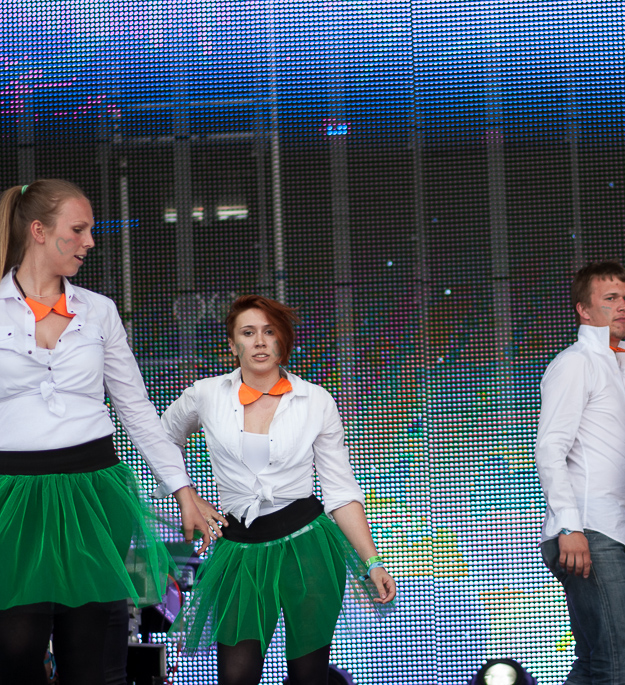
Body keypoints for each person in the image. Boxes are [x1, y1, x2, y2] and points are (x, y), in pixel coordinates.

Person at [0, 179, 211, 685]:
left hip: (94, 491)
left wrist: (183, 490)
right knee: (15, 651)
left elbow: (135, 409)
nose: (90, 241)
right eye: (78, 230)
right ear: (39, 231)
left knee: (92, 653)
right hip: (13, 495)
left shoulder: (99, 311)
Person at [162, 294, 396, 685]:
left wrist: (372, 561)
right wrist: (188, 496)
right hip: (240, 550)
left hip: (307, 546)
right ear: (232, 344)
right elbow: (159, 441)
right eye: (248, 333)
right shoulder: (205, 394)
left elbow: (340, 490)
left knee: (308, 675)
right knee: (236, 676)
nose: (259, 341)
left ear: (282, 341)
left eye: (269, 332)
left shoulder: (315, 400)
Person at [533, 260, 625, 685]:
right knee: (618, 662)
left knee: (594, 663)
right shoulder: (576, 363)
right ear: (584, 310)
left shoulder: (617, 370)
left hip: (609, 531)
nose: (623, 306)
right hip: (589, 530)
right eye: (610, 298)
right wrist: (569, 526)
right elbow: (550, 448)